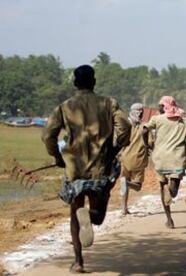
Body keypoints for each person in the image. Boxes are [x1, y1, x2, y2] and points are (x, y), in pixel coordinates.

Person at [42, 65, 131, 273]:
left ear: (75, 83)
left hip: (74, 168)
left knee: (75, 213)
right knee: (98, 215)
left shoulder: (65, 107)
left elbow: (48, 135)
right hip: (101, 167)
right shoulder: (109, 104)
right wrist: (118, 145)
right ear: (94, 82)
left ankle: (78, 262)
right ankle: (89, 215)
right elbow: (125, 127)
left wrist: (57, 156)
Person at [143, 96, 186, 229]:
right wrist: (185, 148)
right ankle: (169, 191)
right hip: (177, 159)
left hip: (160, 158)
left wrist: (146, 145)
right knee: (174, 191)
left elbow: (144, 129)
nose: (158, 108)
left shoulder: (157, 119)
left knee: (162, 188)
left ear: (164, 107)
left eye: (160, 106)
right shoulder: (185, 122)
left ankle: (169, 219)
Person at [119, 103, 149, 216]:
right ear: (140, 112)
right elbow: (149, 143)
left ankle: (124, 209)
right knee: (137, 186)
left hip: (124, 158)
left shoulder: (124, 125)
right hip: (138, 159)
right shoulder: (144, 127)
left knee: (123, 185)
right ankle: (127, 183)